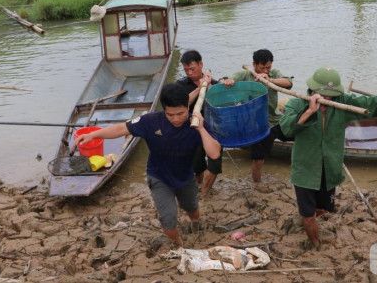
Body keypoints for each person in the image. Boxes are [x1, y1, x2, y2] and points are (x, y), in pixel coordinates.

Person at [279, 67, 377, 250]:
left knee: (324, 209)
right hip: (306, 170)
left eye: (331, 96)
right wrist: (310, 111)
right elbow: (287, 129)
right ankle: (315, 245)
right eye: (323, 95)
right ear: (312, 90)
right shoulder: (296, 104)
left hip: (330, 167)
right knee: (308, 215)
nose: (327, 100)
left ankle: (314, 219)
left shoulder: (343, 103)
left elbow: (370, 104)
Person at [75, 83, 221, 247]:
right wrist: (93, 134)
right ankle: (179, 244)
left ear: (188, 106)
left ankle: (196, 223)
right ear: (164, 109)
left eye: (180, 113)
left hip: (185, 177)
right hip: (159, 178)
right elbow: (120, 129)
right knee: (169, 219)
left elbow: (214, 153)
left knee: (192, 207)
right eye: (170, 114)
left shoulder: (196, 123)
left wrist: (201, 129)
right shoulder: (150, 121)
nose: (176, 119)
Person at [222, 49, 293, 182]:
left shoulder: (273, 74)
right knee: (258, 158)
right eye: (262, 67)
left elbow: (288, 83)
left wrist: (269, 79)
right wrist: (227, 81)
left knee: (297, 130)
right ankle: (257, 184)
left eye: (268, 67)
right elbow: (225, 79)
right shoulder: (245, 75)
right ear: (254, 64)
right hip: (255, 124)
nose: (266, 70)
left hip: (273, 120)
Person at [176, 50, 222, 196]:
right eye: (186, 70)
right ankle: (197, 187)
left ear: (201, 64)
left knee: (215, 164)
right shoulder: (181, 85)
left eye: (192, 68)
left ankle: (204, 193)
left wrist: (227, 82)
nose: (189, 72)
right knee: (197, 166)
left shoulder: (213, 83)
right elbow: (183, 103)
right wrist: (200, 87)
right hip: (192, 131)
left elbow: (224, 100)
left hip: (213, 130)